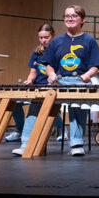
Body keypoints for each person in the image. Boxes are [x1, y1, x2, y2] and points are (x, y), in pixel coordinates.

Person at [42, 5, 99, 156]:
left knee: (77, 105)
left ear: (82, 20)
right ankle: (29, 143)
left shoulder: (89, 41)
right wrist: (51, 75)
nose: (70, 18)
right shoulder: (56, 41)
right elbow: (49, 65)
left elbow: (96, 65)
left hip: (80, 81)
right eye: (67, 16)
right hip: (60, 81)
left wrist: (88, 75)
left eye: (74, 16)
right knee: (38, 102)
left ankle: (76, 144)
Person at [11, 23, 64, 155]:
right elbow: (33, 72)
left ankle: (60, 129)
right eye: (40, 38)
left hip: (53, 87)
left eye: (46, 37)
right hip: (38, 87)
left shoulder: (60, 51)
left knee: (45, 109)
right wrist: (29, 80)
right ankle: (25, 143)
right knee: (25, 106)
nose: (43, 40)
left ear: (53, 36)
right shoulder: (37, 52)